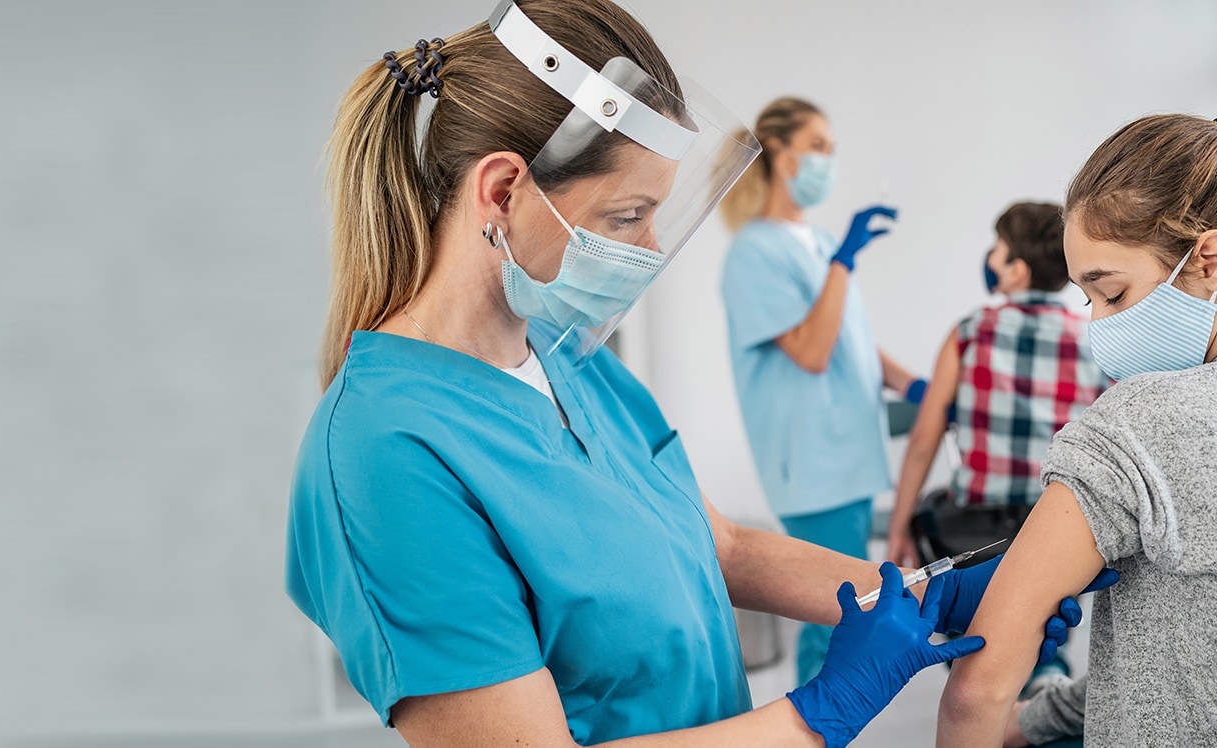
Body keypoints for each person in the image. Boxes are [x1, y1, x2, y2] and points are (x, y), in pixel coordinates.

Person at [286, 1, 1092, 745]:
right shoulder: (383, 454)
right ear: (502, 191)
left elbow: (725, 548)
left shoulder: (572, 365)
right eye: (628, 216)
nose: (646, 251)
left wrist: (927, 596)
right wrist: (820, 711)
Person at [936, 113, 1217, 746]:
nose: (1099, 325)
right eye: (1086, 300)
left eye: (1111, 293)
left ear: (1208, 259)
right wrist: (1036, 723)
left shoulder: (1135, 423)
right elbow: (1181, 661)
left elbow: (977, 690)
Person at [718, 97, 926, 686]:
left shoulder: (816, 241)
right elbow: (811, 352)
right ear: (779, 156)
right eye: (817, 147)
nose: (827, 161)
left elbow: (849, 338)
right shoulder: (754, 252)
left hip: (847, 455)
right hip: (812, 462)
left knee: (843, 608)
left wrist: (912, 383)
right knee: (835, 613)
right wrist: (843, 261)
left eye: (831, 149)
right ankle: (815, 727)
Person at [886, 202, 1108, 570]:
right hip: (1057, 524)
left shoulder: (971, 331)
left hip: (976, 531)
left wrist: (897, 531)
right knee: (1046, 618)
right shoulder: (1093, 338)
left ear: (1016, 271)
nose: (990, 258)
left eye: (997, 248)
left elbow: (925, 440)